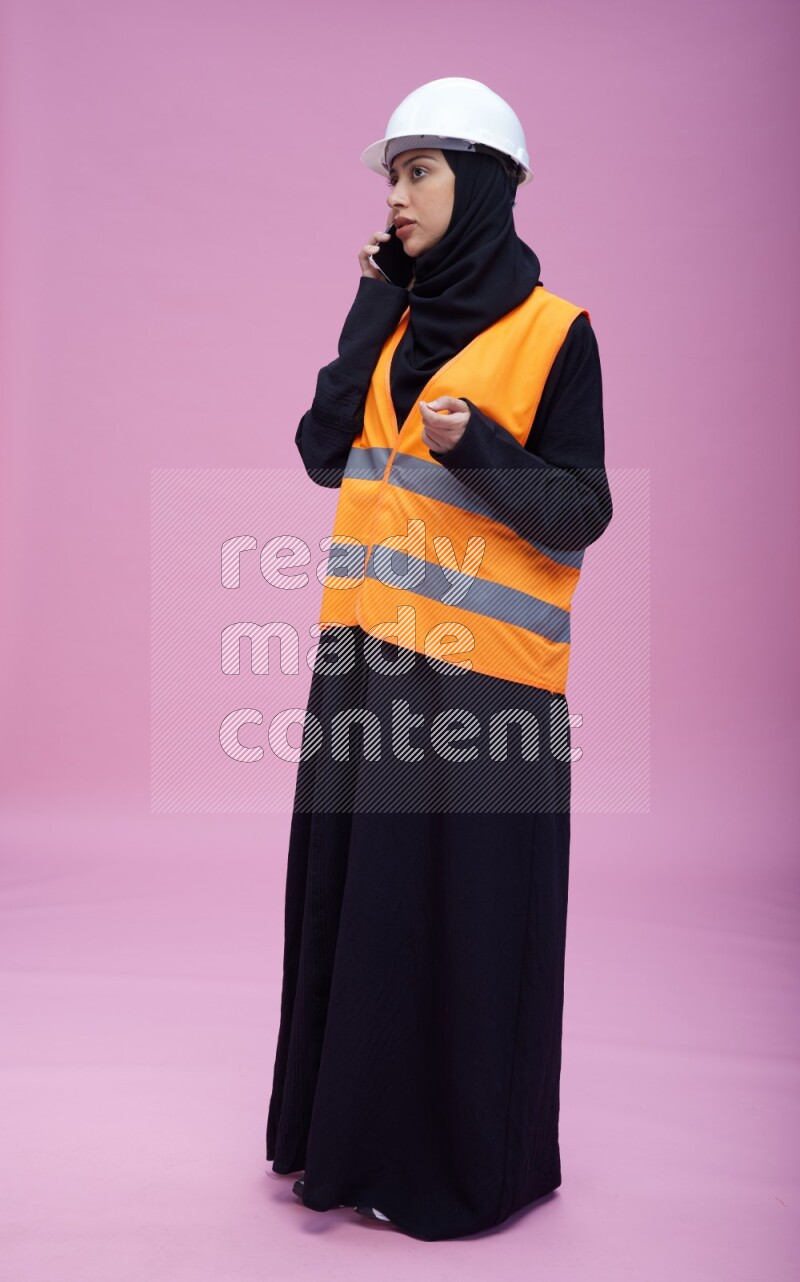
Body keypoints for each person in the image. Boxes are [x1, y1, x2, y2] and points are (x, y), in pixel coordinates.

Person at [265, 77, 613, 1242]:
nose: (396, 193)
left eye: (418, 170)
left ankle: (461, 1168)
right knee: (362, 914)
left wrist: (488, 452)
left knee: (464, 933)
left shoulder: (555, 332)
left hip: (490, 687)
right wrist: (369, 310)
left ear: (483, 185)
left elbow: (578, 511)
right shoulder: (397, 324)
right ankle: (345, 1147)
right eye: (390, 174)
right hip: (363, 667)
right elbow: (324, 453)